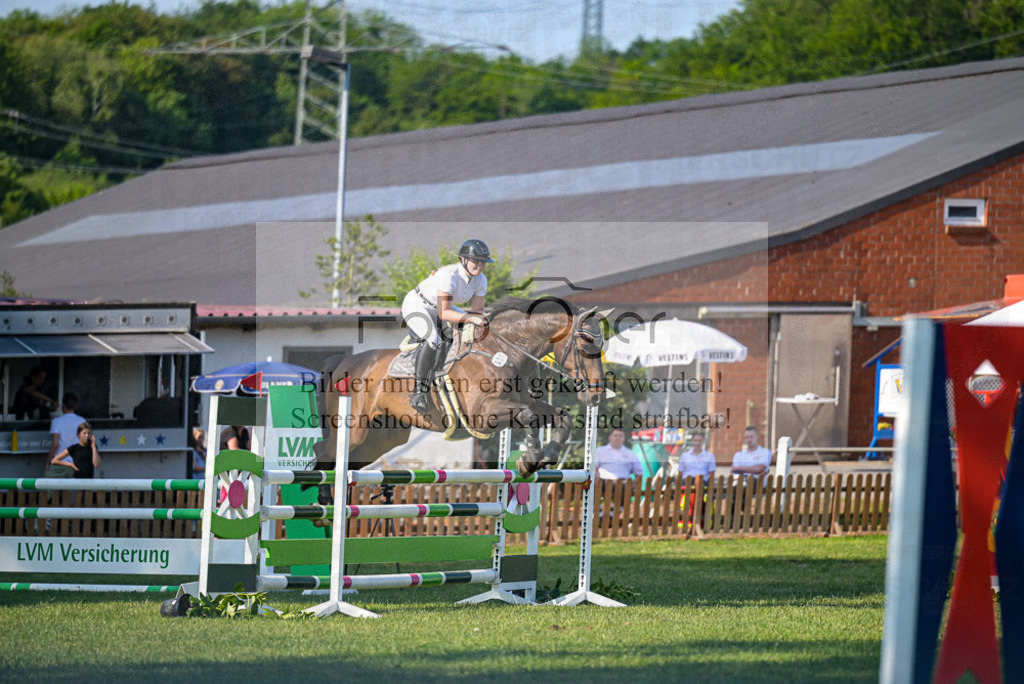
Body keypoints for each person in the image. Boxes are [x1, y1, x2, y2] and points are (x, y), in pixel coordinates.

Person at [401, 238, 492, 416]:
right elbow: (444, 313)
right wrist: (470, 319)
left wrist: (481, 320)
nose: (480, 266)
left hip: (440, 308)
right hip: (418, 304)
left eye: (483, 262)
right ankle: (418, 392)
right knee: (433, 339)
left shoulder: (481, 280)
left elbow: (477, 312)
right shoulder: (449, 275)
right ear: (464, 260)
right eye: (476, 261)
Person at [48, 394, 85, 473]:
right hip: (77, 463)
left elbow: (55, 445)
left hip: (59, 463)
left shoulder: (56, 421)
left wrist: (49, 462)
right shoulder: (82, 421)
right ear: (76, 406)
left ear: (63, 406)